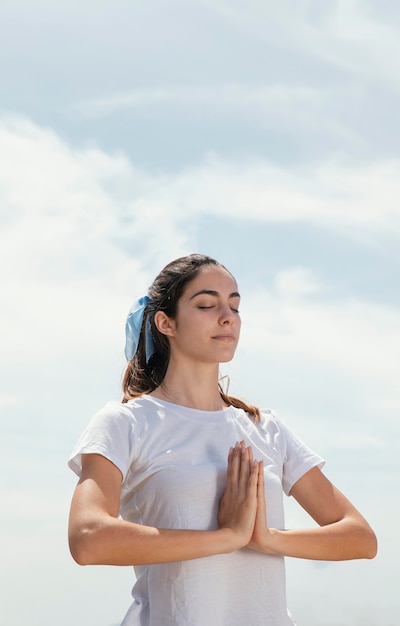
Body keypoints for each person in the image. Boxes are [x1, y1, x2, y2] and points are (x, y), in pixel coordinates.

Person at [68, 253, 377, 626]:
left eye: (234, 305)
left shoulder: (266, 428)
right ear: (166, 322)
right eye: (206, 304)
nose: (227, 316)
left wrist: (266, 538)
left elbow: (361, 537)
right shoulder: (125, 423)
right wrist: (227, 537)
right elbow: (88, 538)